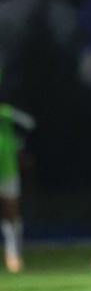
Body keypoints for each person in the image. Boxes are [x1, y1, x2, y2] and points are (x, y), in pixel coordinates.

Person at [0, 95, 35, 273]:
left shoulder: (5, 113)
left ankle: (13, 254)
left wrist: (18, 144)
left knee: (11, 214)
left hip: (7, 169)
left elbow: (29, 123)